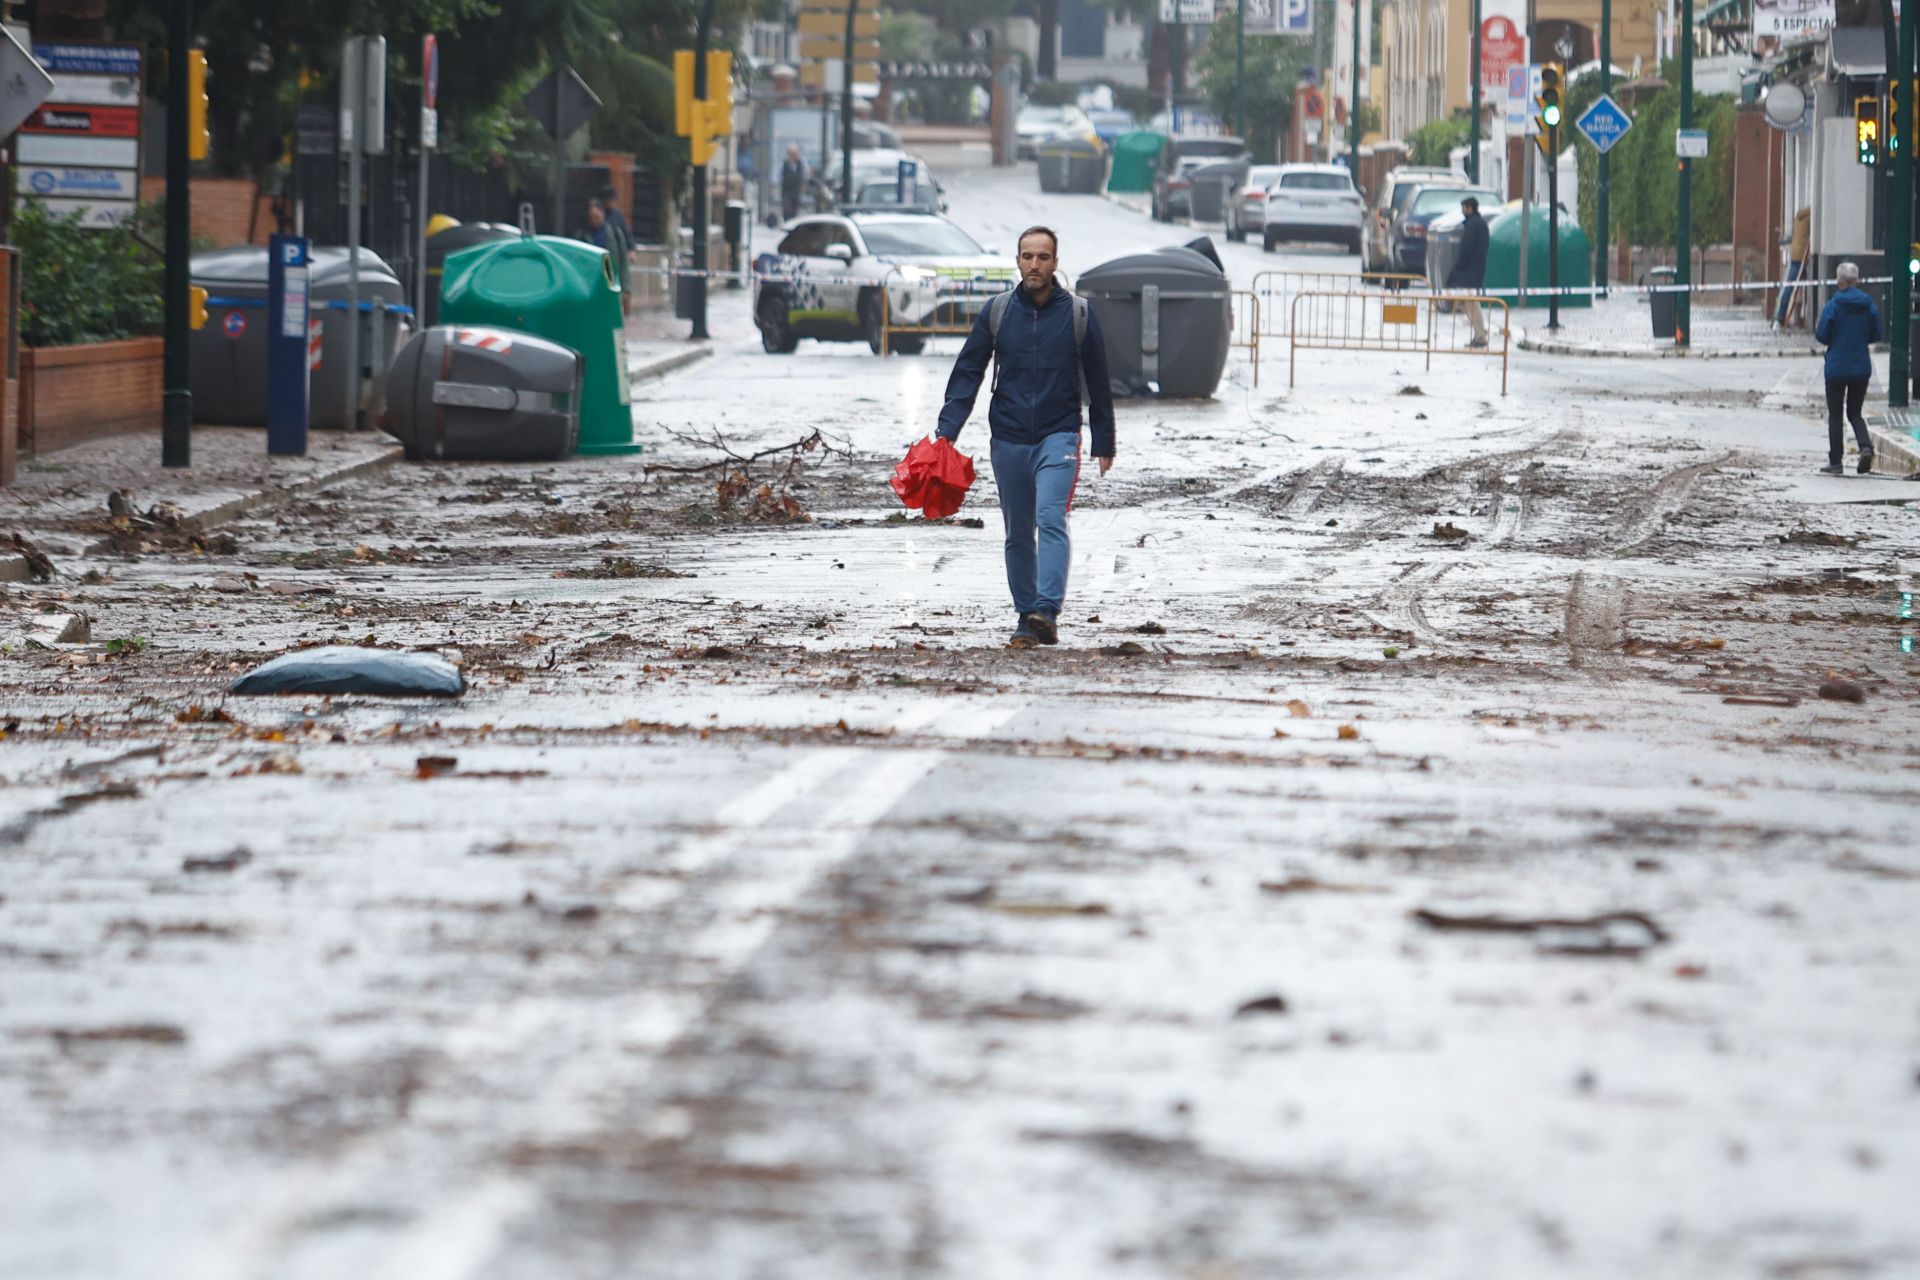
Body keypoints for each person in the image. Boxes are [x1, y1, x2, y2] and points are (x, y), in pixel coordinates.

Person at [936, 226, 1116, 649]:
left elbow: (1100, 380)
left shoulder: (1078, 315)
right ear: (1017, 261)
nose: (1034, 265)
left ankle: (1047, 610)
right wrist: (947, 432)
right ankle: (1026, 615)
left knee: (1050, 518)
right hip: (1010, 438)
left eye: (1043, 257)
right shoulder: (998, 312)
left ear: (1056, 263)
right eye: (1027, 256)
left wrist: (1103, 440)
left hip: (1059, 436)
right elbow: (968, 371)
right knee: (1018, 530)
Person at [1814, 261, 1880, 475]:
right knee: (1855, 412)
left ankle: (1836, 462)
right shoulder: (1869, 305)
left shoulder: (1834, 305)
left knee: (1835, 413)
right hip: (1861, 366)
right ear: (1858, 281)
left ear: (1839, 282)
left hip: (1836, 368)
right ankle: (1865, 446)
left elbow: (1822, 335)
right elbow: (1877, 334)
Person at [1446, 195, 1489, 348]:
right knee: (1463, 302)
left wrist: (1457, 269)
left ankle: (1480, 335)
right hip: (1476, 270)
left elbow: (1466, 250)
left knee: (1470, 303)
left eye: (1464, 208)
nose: (1462, 211)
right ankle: (1480, 331)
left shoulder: (1473, 225)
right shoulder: (1480, 224)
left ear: (1469, 208)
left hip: (1469, 272)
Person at [576, 198, 632, 312]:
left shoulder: (615, 233)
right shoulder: (581, 235)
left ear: (603, 214)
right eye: (591, 218)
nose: (594, 220)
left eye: (597, 217)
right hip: (591, 283)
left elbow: (623, 262)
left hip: (611, 280)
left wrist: (626, 289)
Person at [780, 144, 809, 221]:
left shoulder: (801, 164)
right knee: (787, 209)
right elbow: (777, 176)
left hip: (796, 190)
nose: (793, 155)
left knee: (795, 210)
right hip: (787, 191)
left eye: (795, 153)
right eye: (791, 153)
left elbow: (805, 175)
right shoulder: (784, 164)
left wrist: (804, 186)